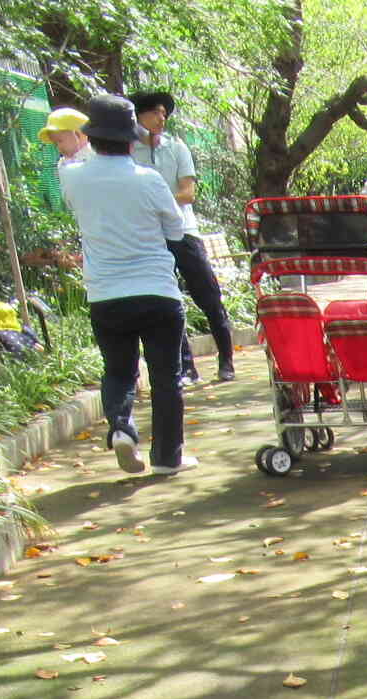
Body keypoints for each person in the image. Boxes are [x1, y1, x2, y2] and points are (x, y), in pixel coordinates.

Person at [58, 94, 194, 475]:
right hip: (156, 291)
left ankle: (121, 428)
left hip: (105, 293)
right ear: (131, 139)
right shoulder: (148, 179)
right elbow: (176, 228)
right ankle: (168, 458)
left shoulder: (71, 178)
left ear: (90, 137)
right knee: (166, 376)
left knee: (118, 371)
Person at [128, 91, 236, 386]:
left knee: (209, 298)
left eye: (164, 113)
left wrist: (156, 200)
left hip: (184, 232)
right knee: (168, 302)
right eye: (155, 113)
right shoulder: (129, 152)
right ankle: (187, 367)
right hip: (151, 237)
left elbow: (188, 193)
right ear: (139, 116)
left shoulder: (176, 147)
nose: (161, 118)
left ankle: (227, 359)